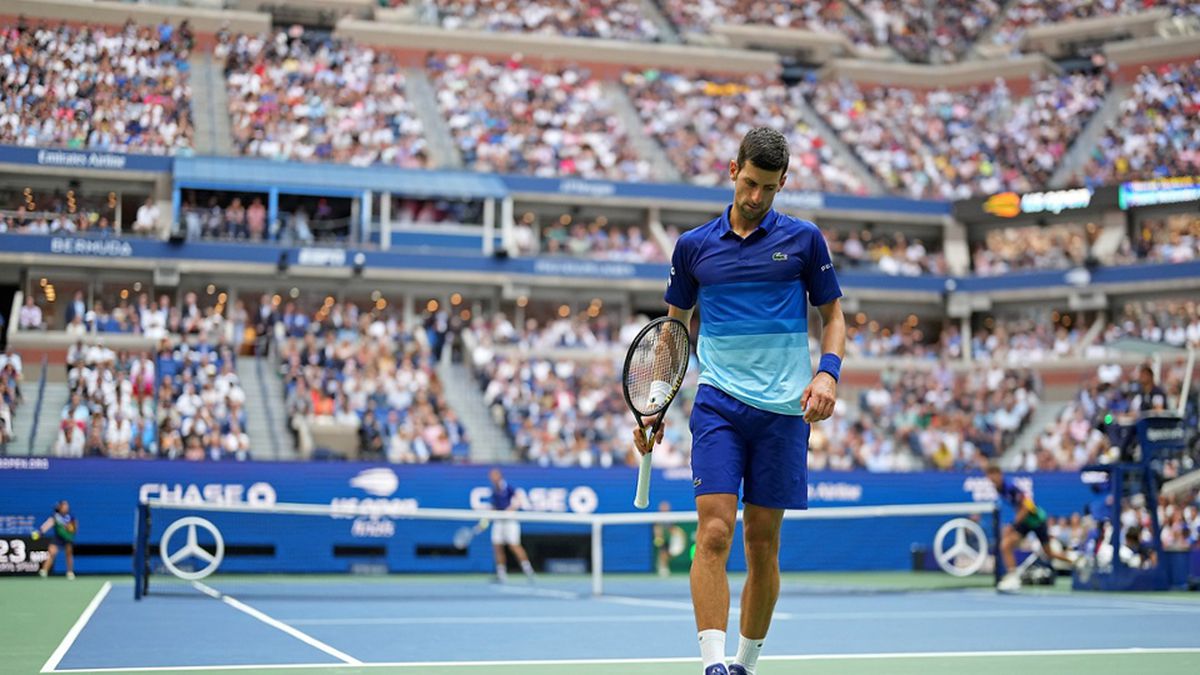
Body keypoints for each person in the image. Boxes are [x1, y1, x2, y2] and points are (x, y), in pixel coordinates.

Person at [634, 127, 845, 675]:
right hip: (719, 403)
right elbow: (673, 334)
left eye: (769, 189)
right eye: (750, 183)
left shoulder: (804, 241)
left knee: (761, 542)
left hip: (783, 413)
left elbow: (834, 317)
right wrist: (655, 403)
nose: (756, 197)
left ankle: (746, 665)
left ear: (782, 184)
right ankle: (712, 665)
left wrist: (828, 374)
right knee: (714, 529)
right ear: (733, 170)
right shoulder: (693, 248)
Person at [988, 465, 1075, 592]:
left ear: (999, 474)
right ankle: (1013, 578)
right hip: (1026, 521)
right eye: (989, 477)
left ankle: (1075, 560)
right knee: (1006, 545)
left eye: (993, 476)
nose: (991, 480)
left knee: (1048, 553)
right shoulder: (998, 488)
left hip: (1036, 519)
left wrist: (1012, 525)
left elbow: (1026, 506)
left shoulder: (1010, 486)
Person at [487, 468, 535, 583]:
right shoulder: (494, 491)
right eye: (491, 476)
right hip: (499, 521)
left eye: (494, 475)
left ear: (499, 476)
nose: (491, 478)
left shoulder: (509, 488)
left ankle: (528, 571)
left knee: (514, 546)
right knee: (497, 546)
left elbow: (518, 501)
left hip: (510, 520)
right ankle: (501, 574)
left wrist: (508, 511)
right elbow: (494, 507)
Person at [34, 501, 77, 579]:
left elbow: (75, 527)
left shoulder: (71, 516)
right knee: (52, 553)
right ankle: (44, 571)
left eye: (67, 506)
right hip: (57, 538)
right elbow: (47, 524)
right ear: (60, 507)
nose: (66, 507)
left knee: (69, 555)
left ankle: (70, 572)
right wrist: (40, 532)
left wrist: (71, 530)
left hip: (67, 538)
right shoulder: (55, 516)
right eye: (64, 506)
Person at [653, 500, 688, 577]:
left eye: (666, 507)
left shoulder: (671, 516)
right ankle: (663, 567)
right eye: (663, 507)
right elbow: (657, 528)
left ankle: (662, 564)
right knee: (663, 552)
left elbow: (673, 528)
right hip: (661, 538)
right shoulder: (657, 517)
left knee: (668, 554)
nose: (665, 508)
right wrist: (658, 537)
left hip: (670, 538)